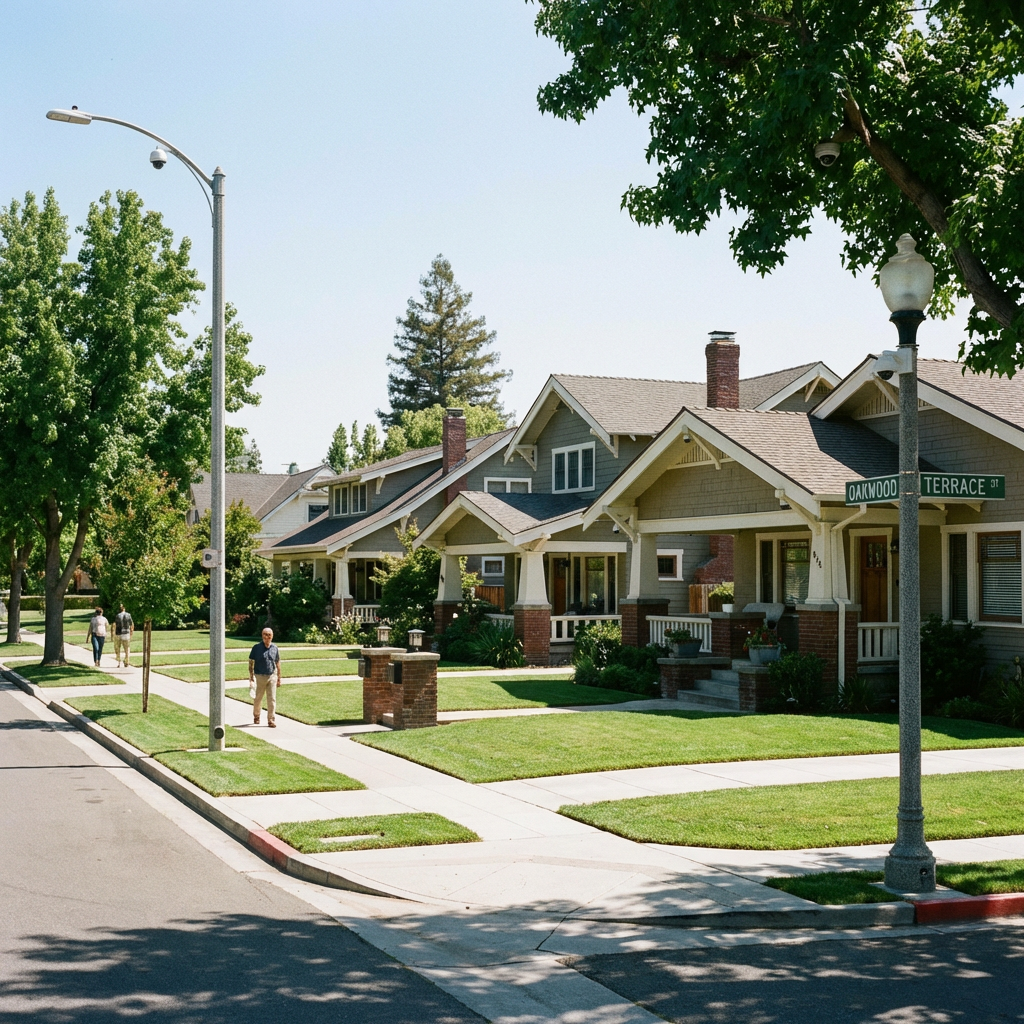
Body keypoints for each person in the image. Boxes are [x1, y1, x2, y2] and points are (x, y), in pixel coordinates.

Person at [248, 627, 282, 727]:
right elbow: (251, 663)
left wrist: (279, 678)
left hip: (272, 676)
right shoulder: (256, 648)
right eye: (265, 634)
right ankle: (256, 716)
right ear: (262, 635)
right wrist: (251, 677)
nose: (267, 637)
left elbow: (277, 662)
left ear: (272, 636)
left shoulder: (275, 648)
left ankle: (271, 720)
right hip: (259, 676)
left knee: (272, 699)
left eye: (269, 635)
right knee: (258, 698)